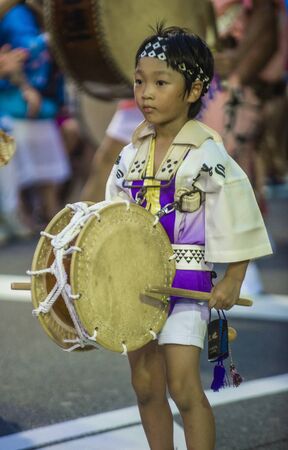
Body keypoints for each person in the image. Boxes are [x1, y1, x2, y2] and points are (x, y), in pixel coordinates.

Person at [105, 25, 272, 450]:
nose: (145, 93)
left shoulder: (206, 153)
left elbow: (239, 209)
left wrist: (233, 276)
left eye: (161, 83)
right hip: (136, 284)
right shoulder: (130, 153)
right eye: (140, 81)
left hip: (186, 281)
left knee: (182, 387)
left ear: (194, 89)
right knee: (144, 384)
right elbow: (112, 217)